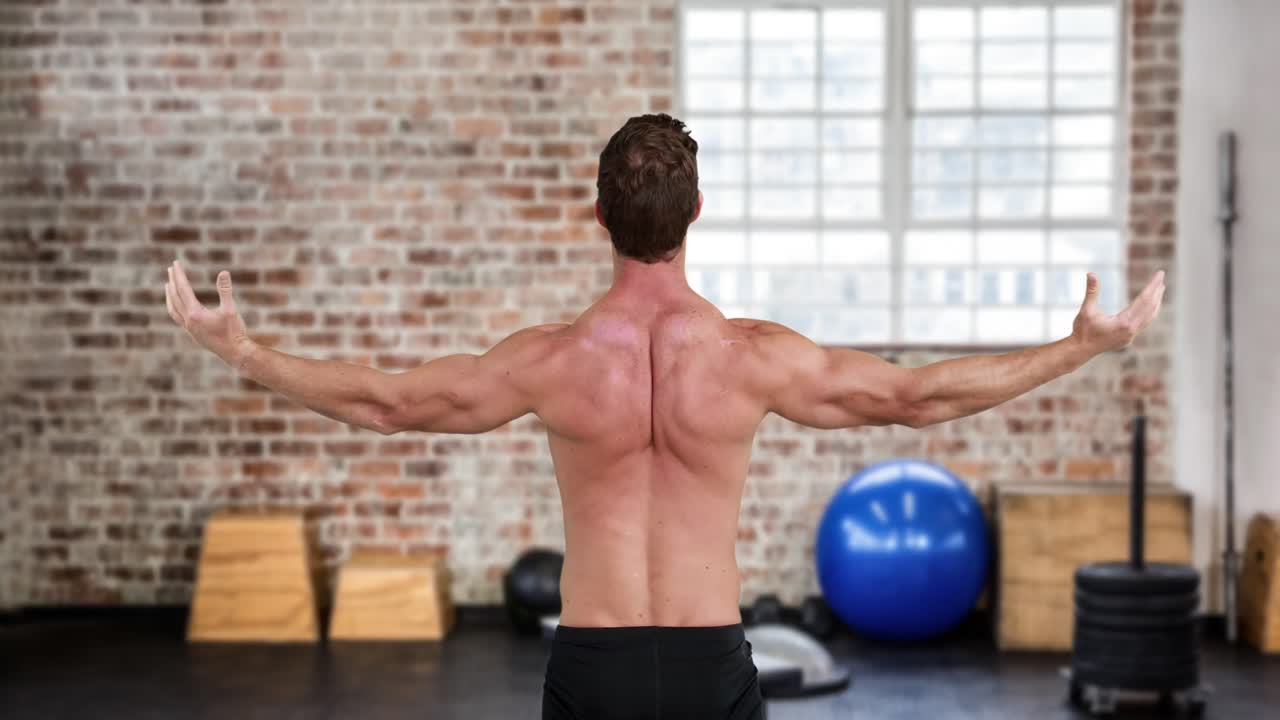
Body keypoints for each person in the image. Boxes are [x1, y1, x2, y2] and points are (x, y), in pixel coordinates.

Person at [163, 113, 1165, 720]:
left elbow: (386, 405)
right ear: (695, 214)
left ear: (598, 217)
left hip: (590, 665)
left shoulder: (548, 362)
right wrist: (1077, 346)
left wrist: (244, 351)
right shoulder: (749, 358)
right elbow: (915, 398)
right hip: (708, 664)